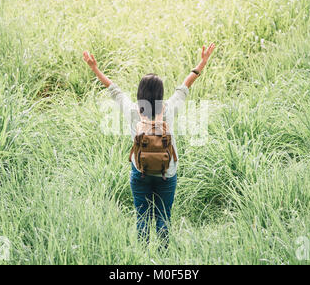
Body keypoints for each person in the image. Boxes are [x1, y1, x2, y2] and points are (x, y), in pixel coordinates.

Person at [82, 43, 216, 250]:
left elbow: (114, 90)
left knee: (142, 214)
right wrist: (202, 62)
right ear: (161, 93)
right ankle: (163, 253)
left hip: (140, 171)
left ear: (140, 92)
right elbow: (185, 85)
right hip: (167, 171)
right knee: (163, 214)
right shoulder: (169, 109)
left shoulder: (133, 111)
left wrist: (94, 68)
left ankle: (143, 254)